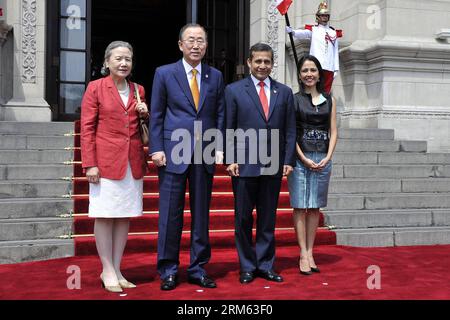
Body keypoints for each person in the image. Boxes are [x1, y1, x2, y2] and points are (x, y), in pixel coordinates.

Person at [150, 23, 225, 291]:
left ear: (206, 45)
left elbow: (219, 114)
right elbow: (156, 114)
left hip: (204, 152)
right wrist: (156, 148)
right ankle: (168, 269)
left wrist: (218, 146)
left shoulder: (215, 76)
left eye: (201, 41)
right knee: (170, 214)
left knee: (201, 214)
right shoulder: (164, 73)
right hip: (172, 153)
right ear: (180, 44)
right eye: (191, 40)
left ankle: (198, 268)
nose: (196, 45)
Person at [225, 43, 296, 284]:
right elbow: (229, 127)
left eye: (267, 62)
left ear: (272, 63)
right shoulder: (234, 90)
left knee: (268, 218)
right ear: (249, 62)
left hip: (273, 163)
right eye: (258, 61)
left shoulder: (284, 92)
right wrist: (230, 157)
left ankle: (265, 265)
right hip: (244, 164)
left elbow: (289, 129)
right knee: (243, 218)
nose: (262, 66)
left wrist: (288, 160)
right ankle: (246, 266)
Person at [80, 41, 149, 292]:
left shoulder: (138, 89)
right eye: (118, 58)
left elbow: (140, 127)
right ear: (107, 62)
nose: (123, 63)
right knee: (105, 215)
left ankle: (117, 268)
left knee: (123, 216)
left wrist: (145, 113)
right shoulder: (96, 88)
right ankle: (107, 269)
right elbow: (87, 128)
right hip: (105, 162)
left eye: (128, 59)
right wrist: (90, 164)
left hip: (132, 162)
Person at [287, 54, 337, 275]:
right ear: (299, 75)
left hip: (322, 157)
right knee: (300, 205)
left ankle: (311, 250)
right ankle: (303, 253)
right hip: (301, 157)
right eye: (305, 70)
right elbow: (291, 132)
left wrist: (328, 155)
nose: (309, 74)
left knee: (315, 206)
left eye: (313, 70)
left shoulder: (329, 100)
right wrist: (302, 157)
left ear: (319, 74)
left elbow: (333, 130)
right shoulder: (294, 99)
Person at [286, 1, 342, 94]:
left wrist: (336, 68)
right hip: (316, 65)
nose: (324, 17)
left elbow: (335, 51)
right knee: (313, 89)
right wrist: (293, 32)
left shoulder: (334, 32)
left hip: (329, 66)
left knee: (326, 92)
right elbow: (303, 33)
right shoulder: (314, 30)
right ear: (318, 17)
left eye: (326, 16)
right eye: (322, 15)